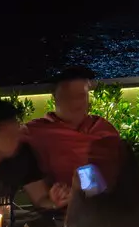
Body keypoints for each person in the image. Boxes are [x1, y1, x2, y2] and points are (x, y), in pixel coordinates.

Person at [22, 66, 121, 205]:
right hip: (57, 216)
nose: (76, 102)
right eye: (69, 96)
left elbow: (121, 176)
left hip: (105, 211)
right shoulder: (34, 132)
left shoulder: (104, 129)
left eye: (81, 95)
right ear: (55, 98)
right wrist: (53, 200)